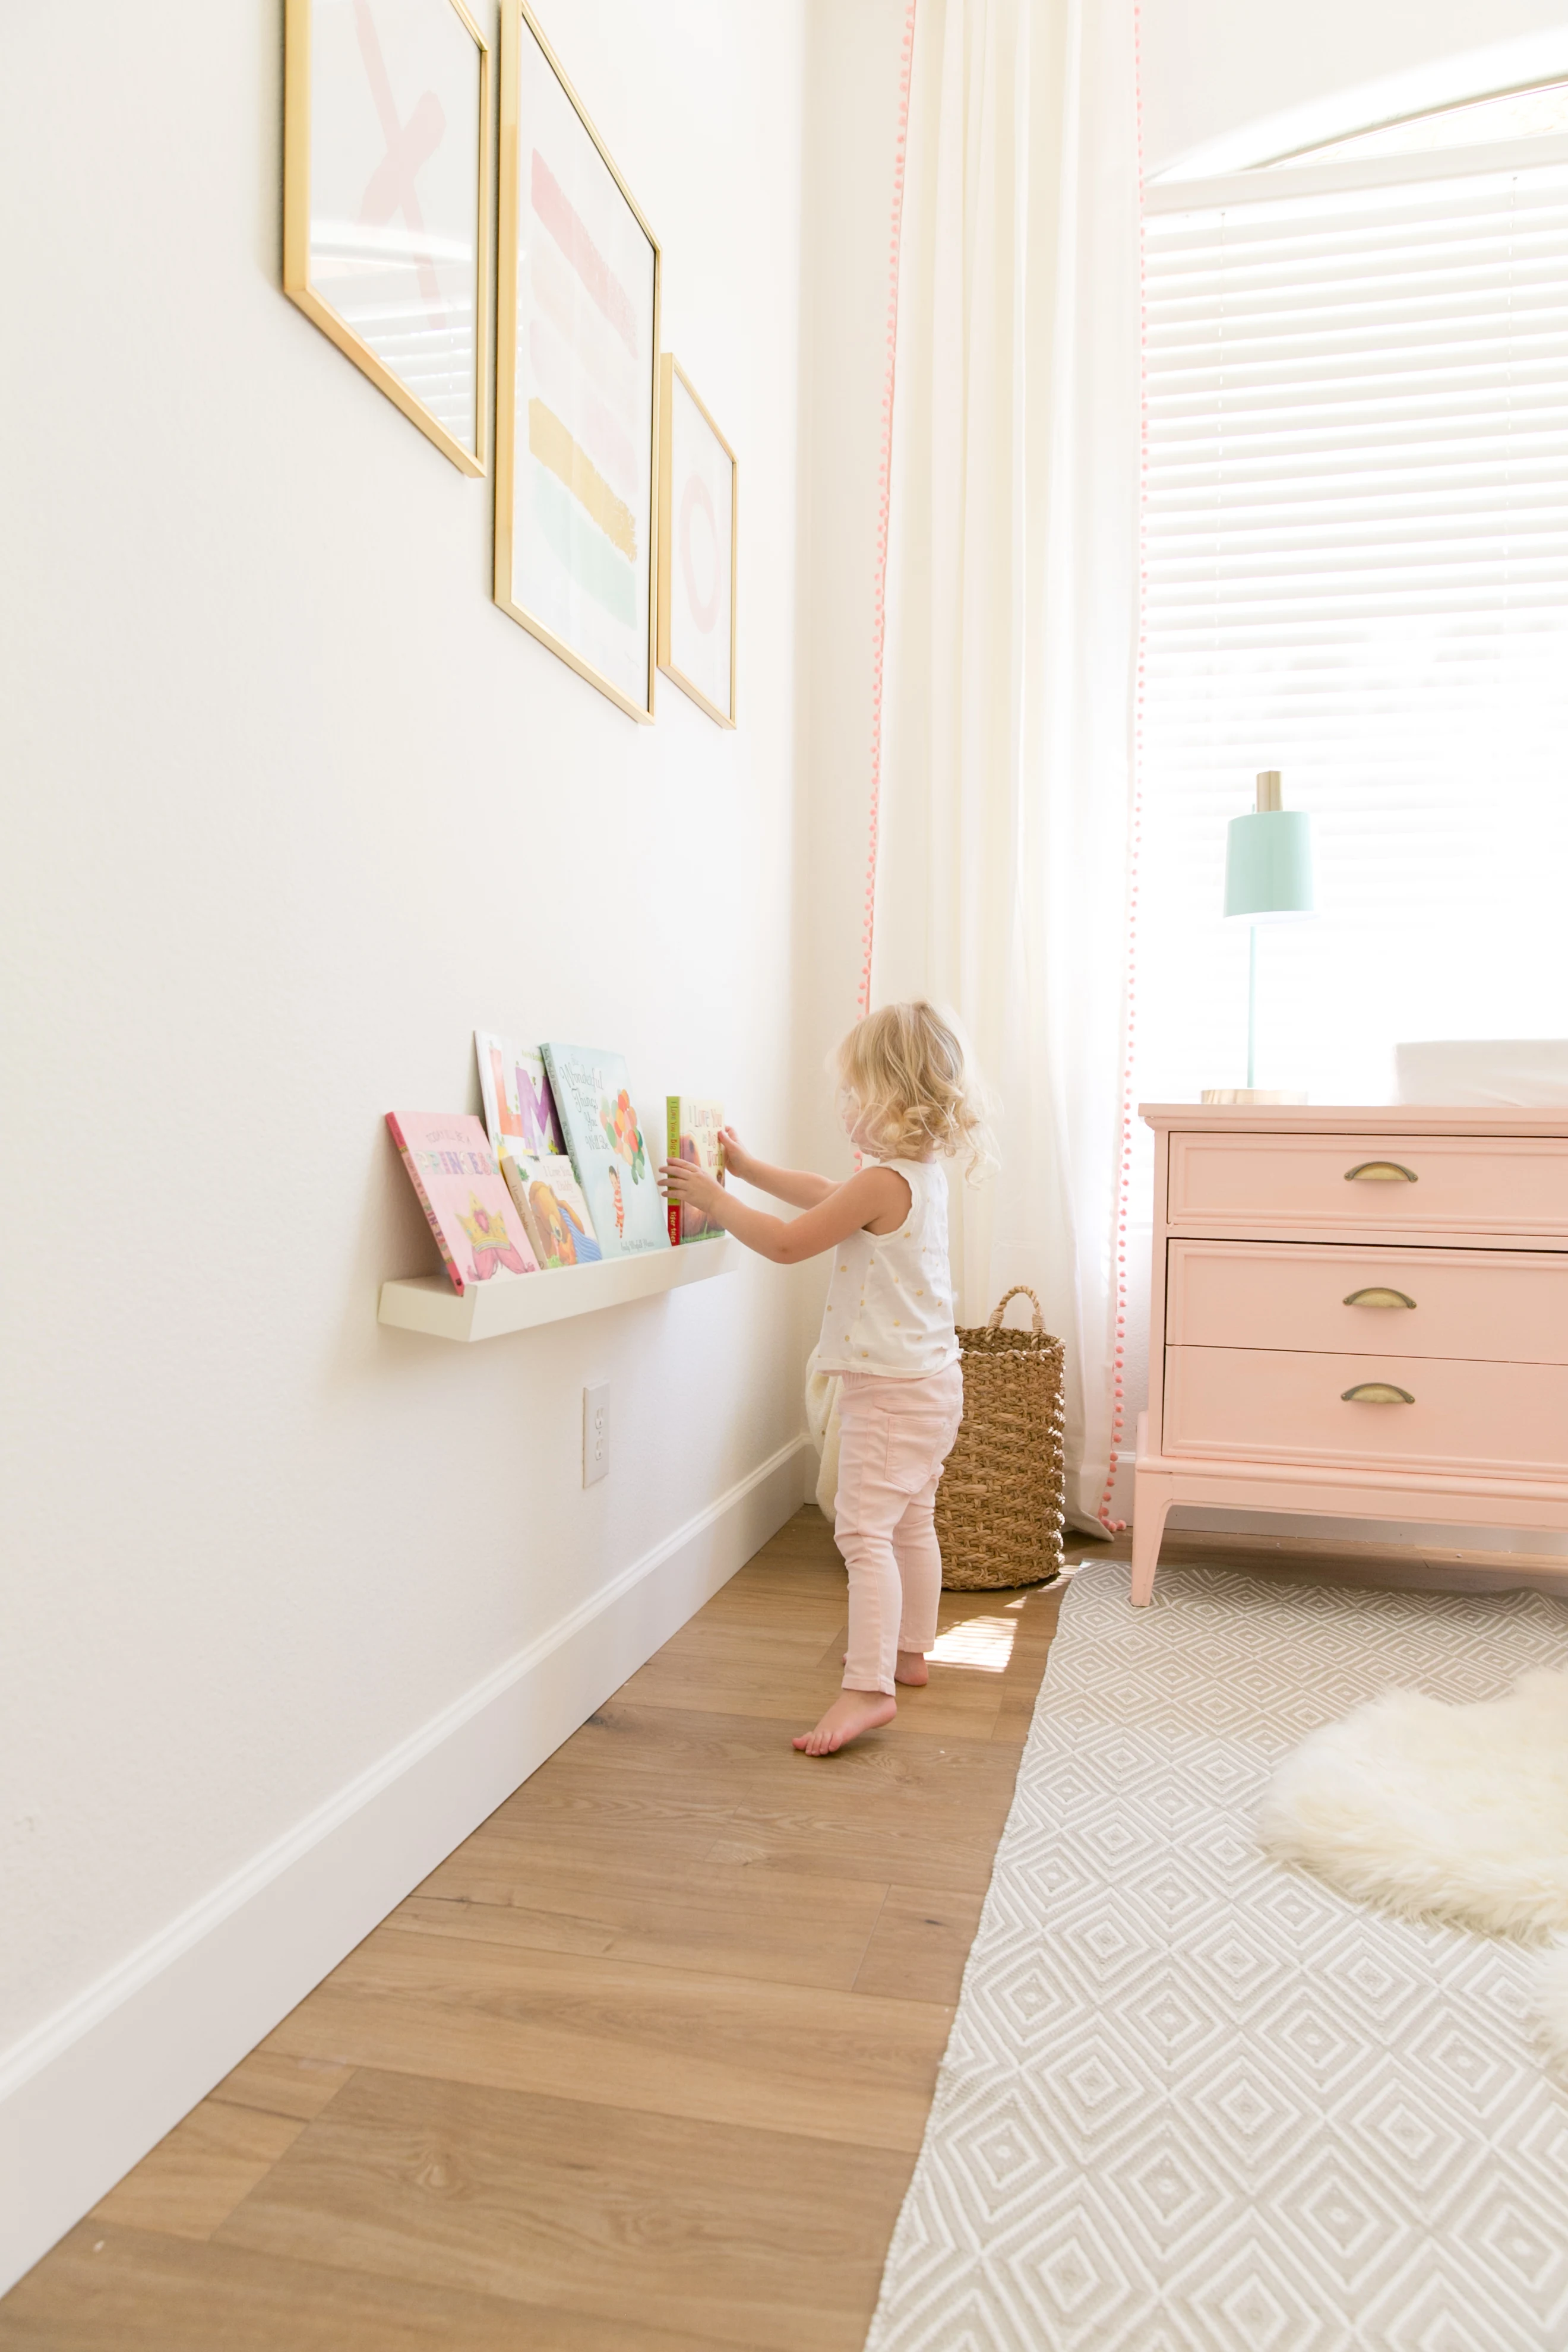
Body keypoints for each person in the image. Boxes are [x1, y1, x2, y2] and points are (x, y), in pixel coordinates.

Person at [659, 1001, 993, 1756]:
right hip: (935, 1382)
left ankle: (867, 1687)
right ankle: (910, 1652)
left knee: (863, 1530)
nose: (844, 1108)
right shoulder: (915, 1175)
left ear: (900, 1099)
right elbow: (819, 1193)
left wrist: (717, 1199)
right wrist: (745, 1169)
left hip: (890, 1391)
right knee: (911, 1518)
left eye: (855, 1094)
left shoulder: (883, 1183)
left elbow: (784, 1244)